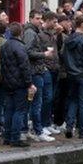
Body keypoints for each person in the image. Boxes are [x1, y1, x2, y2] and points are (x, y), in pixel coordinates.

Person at [22, 10, 56, 142]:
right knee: (36, 103)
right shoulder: (30, 33)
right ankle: (38, 130)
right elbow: (28, 52)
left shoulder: (33, 32)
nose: (40, 21)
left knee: (33, 103)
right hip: (35, 71)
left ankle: (30, 129)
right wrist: (44, 55)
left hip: (36, 70)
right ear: (30, 19)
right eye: (37, 18)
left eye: (40, 18)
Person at [0, 23, 34, 147]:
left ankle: (7, 137)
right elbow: (24, 66)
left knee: (9, 110)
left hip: (8, 82)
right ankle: (15, 138)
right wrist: (29, 83)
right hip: (19, 83)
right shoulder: (20, 46)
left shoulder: (4, 45)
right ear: (21, 33)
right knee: (19, 110)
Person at [61, 15, 83, 138]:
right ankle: (82, 130)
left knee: (72, 100)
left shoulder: (68, 40)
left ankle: (69, 126)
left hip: (71, 74)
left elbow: (63, 55)